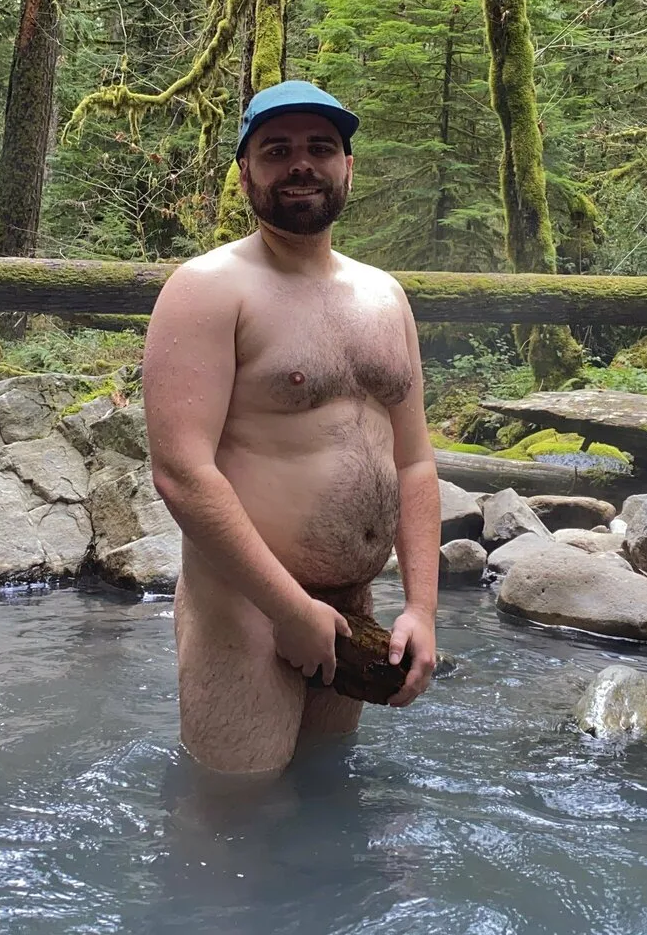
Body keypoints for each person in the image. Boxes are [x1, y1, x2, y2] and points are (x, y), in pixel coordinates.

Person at [143, 80, 441, 775]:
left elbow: (414, 462)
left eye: (321, 148)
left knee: (324, 789)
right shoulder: (208, 288)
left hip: (353, 611)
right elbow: (181, 472)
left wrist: (421, 609)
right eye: (276, 150)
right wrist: (288, 610)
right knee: (235, 816)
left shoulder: (386, 297)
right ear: (246, 173)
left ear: (347, 167)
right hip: (246, 608)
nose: (301, 164)